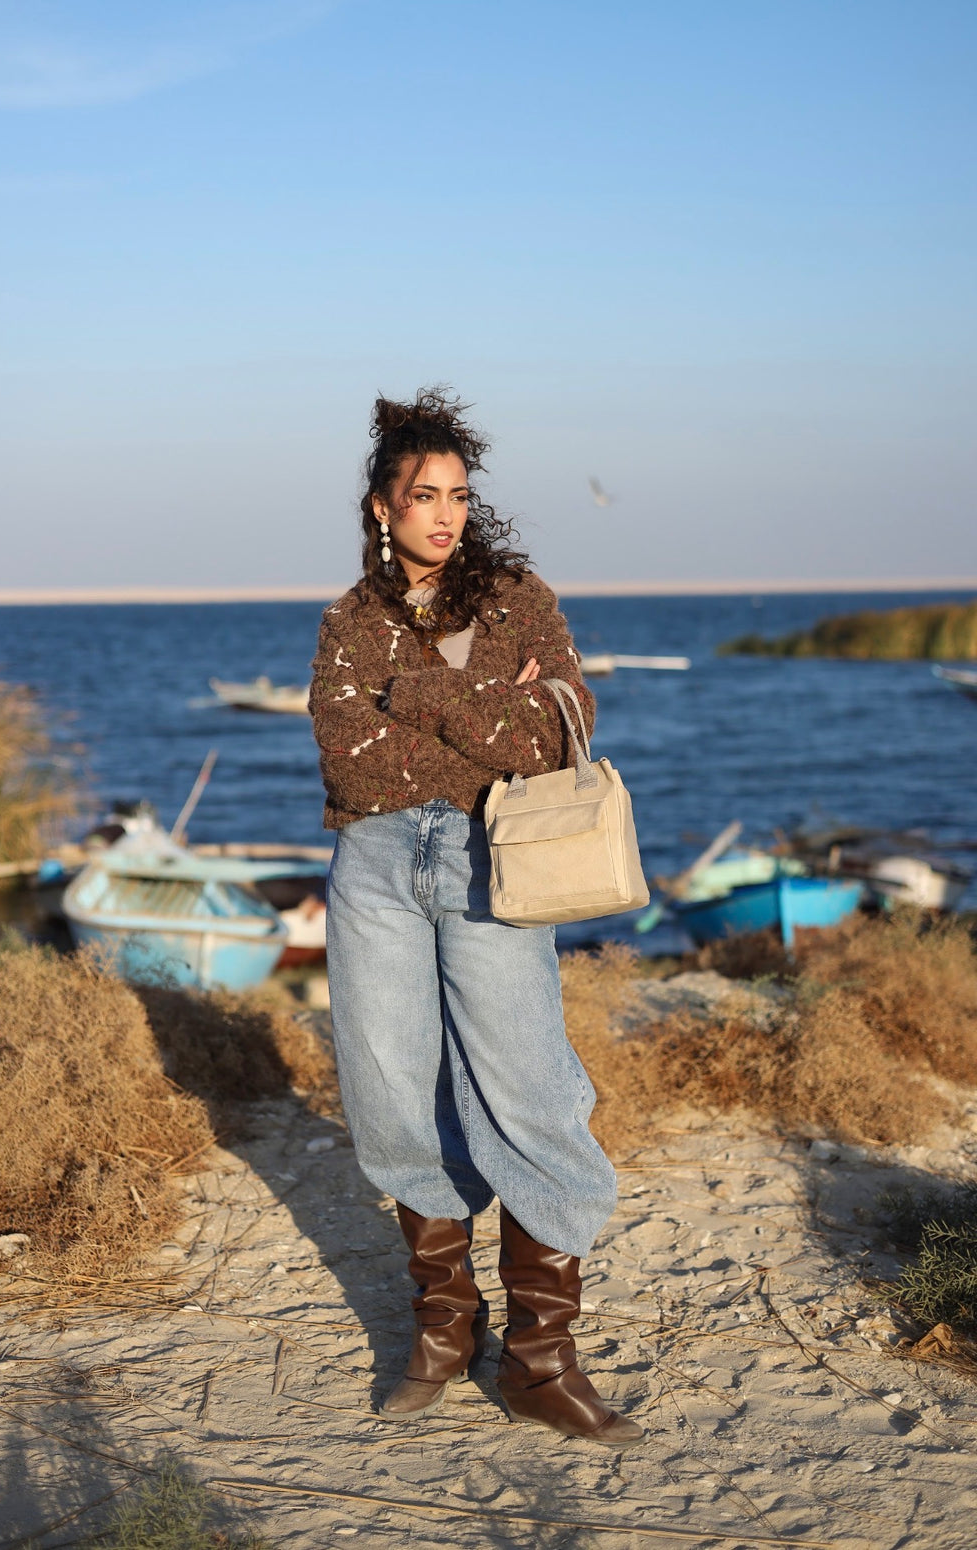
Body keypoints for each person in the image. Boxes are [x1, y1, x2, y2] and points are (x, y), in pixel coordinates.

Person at [309, 387, 644, 1448]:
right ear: (382, 507)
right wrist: (489, 715)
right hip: (373, 869)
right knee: (392, 1092)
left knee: (528, 1087)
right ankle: (445, 1330)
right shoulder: (349, 621)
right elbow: (348, 762)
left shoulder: (518, 599)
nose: (444, 514)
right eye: (424, 496)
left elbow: (557, 732)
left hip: (494, 861)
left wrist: (414, 697)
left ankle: (542, 1361)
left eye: (458, 494)